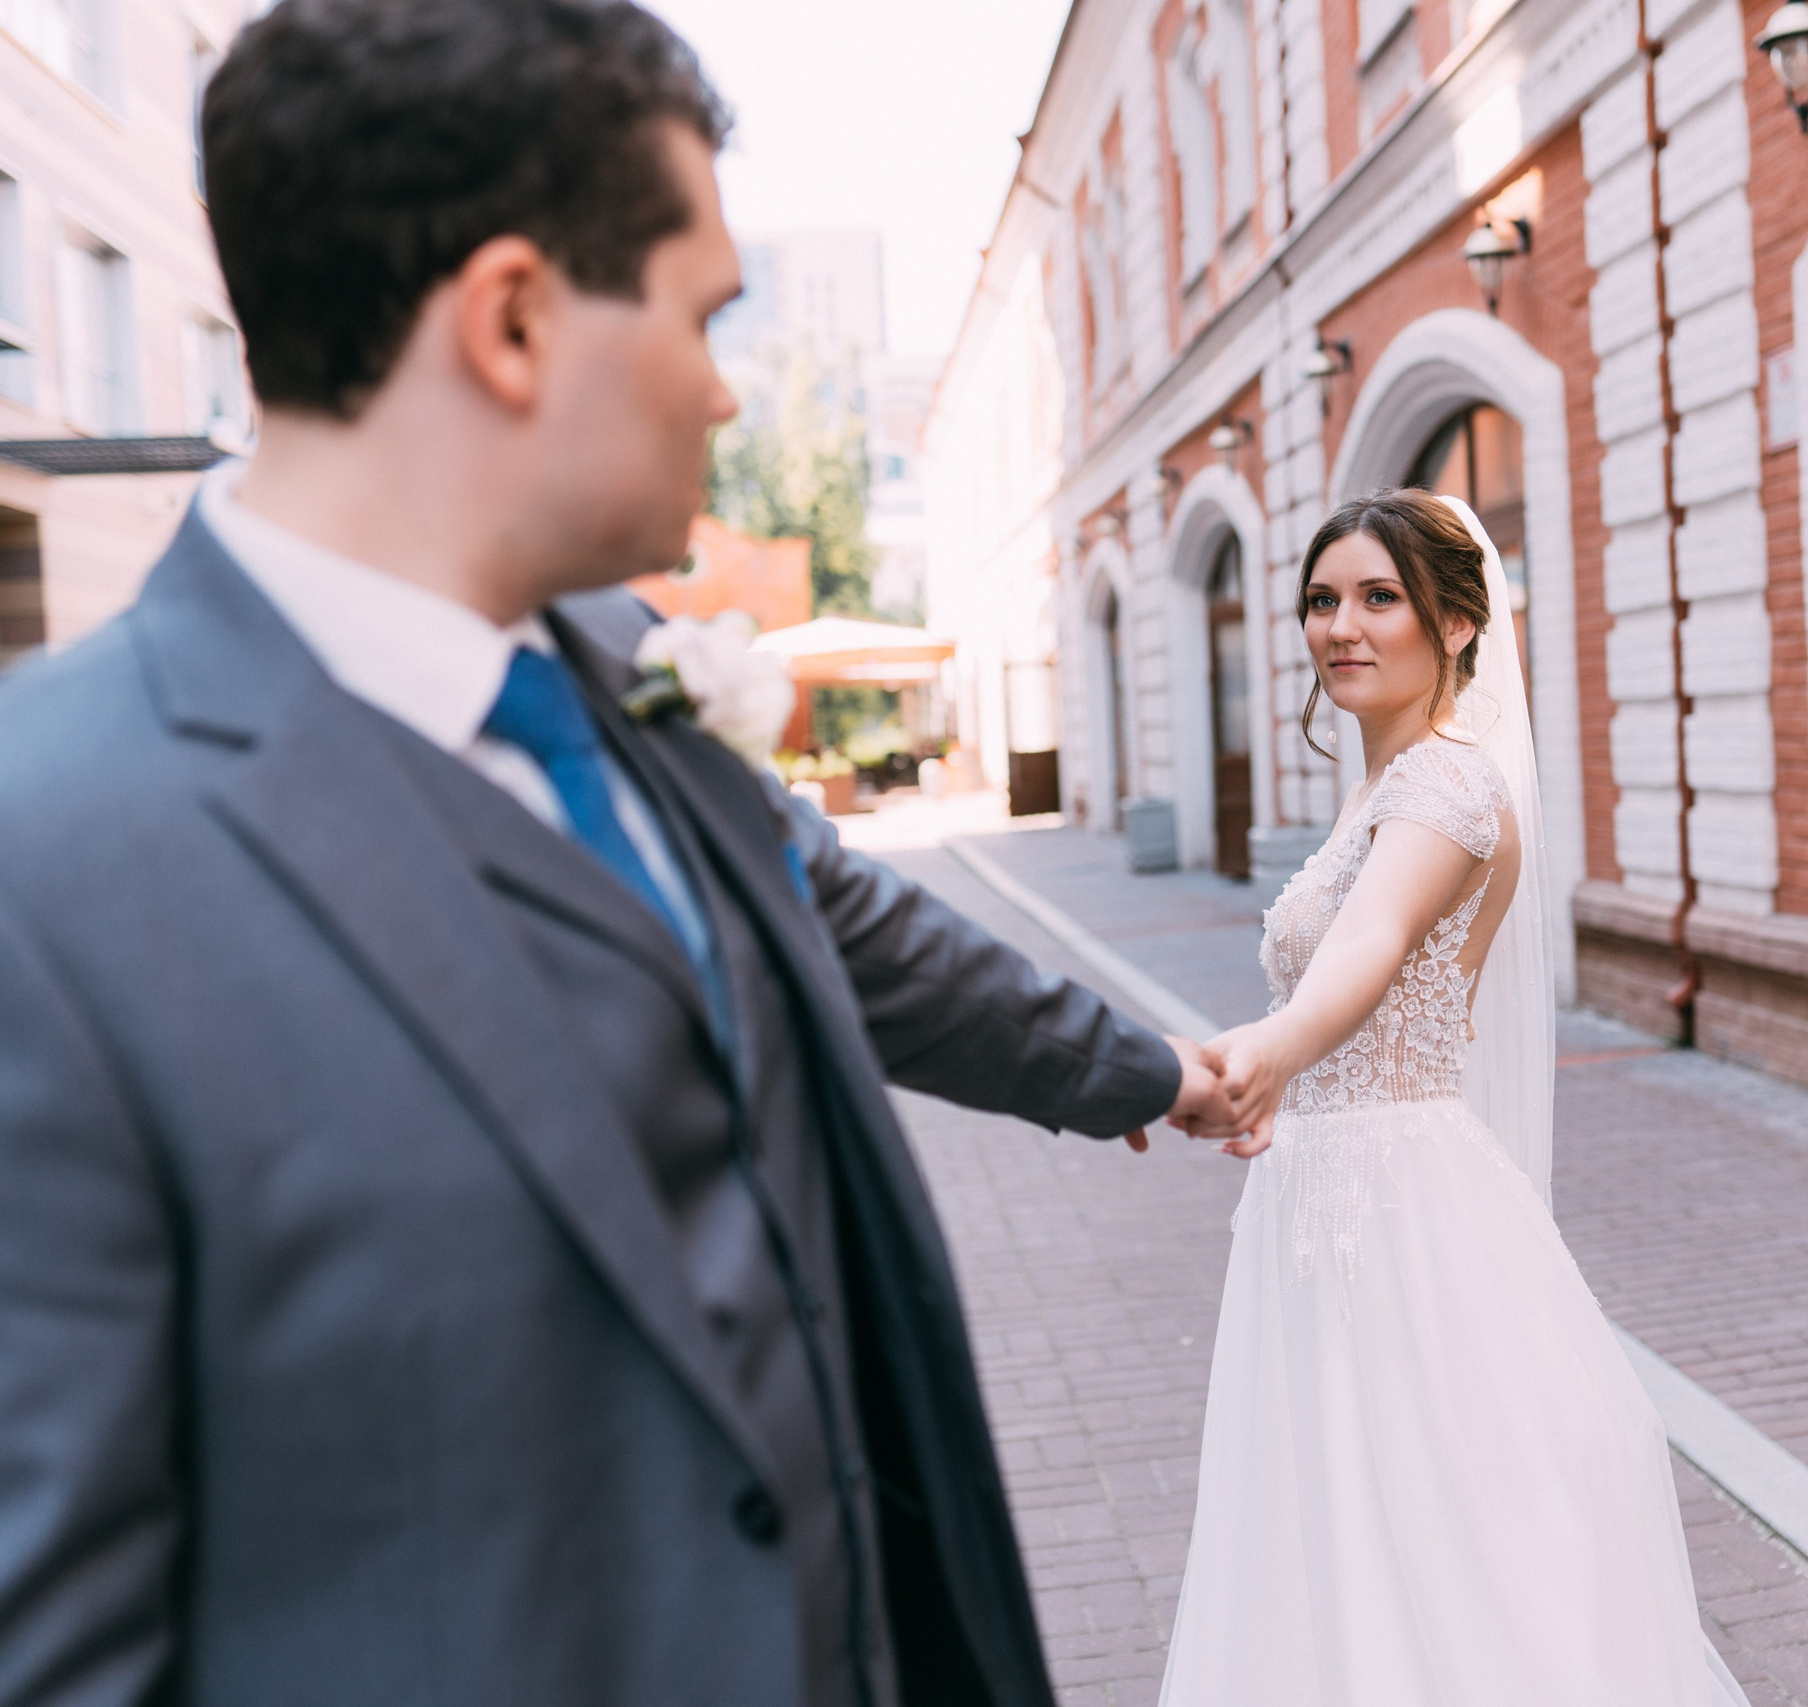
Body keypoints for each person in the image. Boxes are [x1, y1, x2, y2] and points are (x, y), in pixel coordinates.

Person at [0, 4, 1241, 1705]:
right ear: (514, 318)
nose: (729, 386)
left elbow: (847, 922)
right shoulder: (46, 860)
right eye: (706, 312)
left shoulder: (612, 661)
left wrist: (1155, 1067)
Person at [1156, 491, 1749, 1705]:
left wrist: (1259, 1054)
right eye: (1322, 600)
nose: (1341, 627)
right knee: (1336, 1532)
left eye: (1380, 598)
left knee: (1454, 1540)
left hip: (1404, 1216)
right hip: (1320, 1207)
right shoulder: (1374, 800)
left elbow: (1363, 955)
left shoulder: (1449, 793)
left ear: (1461, 625)